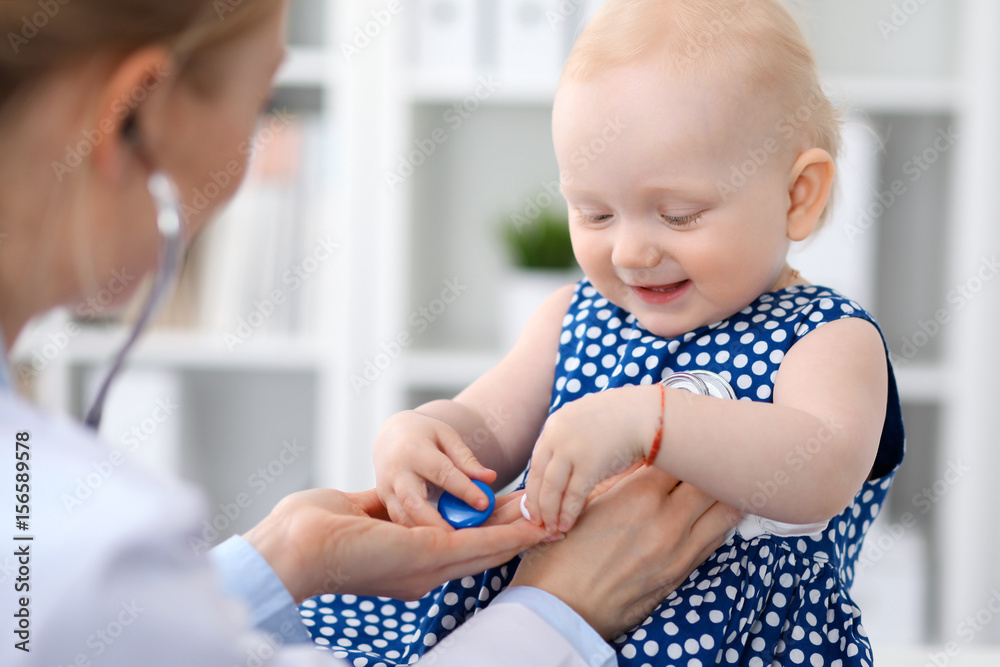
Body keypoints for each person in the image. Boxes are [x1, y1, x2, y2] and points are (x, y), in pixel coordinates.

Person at [0, 1, 739, 665]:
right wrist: (557, 612)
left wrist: (284, 557)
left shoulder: (63, 549)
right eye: (261, 104)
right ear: (136, 117)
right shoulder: (87, 550)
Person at [309, 0, 906, 665]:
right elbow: (484, 427)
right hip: (543, 629)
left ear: (799, 195)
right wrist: (423, 435)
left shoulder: (827, 336)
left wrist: (648, 419)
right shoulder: (574, 315)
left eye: (678, 215)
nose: (629, 252)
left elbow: (819, 469)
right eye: (594, 213)